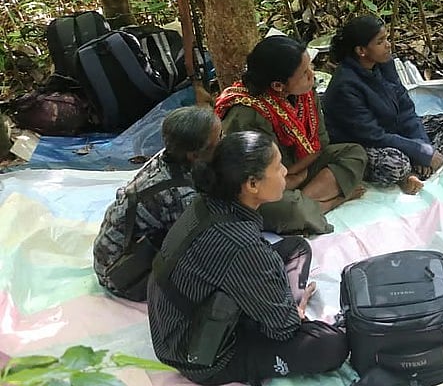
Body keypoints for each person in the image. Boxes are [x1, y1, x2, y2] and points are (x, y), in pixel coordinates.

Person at [148, 131, 348, 384]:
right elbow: (283, 329)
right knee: (332, 345)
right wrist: (292, 313)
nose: (285, 172)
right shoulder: (242, 247)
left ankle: (277, 304)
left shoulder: (207, 202)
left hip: (180, 318)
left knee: (297, 247)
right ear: (252, 184)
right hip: (199, 353)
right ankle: (283, 307)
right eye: (278, 167)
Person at [215, 36, 367, 213]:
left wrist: (298, 175)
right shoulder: (248, 113)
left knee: (355, 153)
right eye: (304, 73)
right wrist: (291, 178)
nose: (312, 75)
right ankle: (326, 203)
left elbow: (321, 142)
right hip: (267, 183)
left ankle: (304, 205)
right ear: (278, 86)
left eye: (310, 67)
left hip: (298, 169)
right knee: (278, 209)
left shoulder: (305, 93)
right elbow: (255, 178)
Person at [323, 16, 443, 194]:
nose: (388, 45)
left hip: (393, 130)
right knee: (396, 164)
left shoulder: (384, 63)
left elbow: (406, 109)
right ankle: (408, 173)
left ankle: (419, 167)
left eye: (386, 39)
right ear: (361, 50)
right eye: (380, 42)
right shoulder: (346, 86)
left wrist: (423, 147)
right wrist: (418, 151)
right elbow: (373, 136)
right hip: (364, 144)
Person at [93, 106, 221, 300]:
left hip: (109, 254)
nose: (223, 142)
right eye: (219, 138)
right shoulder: (181, 196)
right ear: (194, 155)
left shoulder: (167, 157)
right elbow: (204, 247)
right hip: (123, 275)